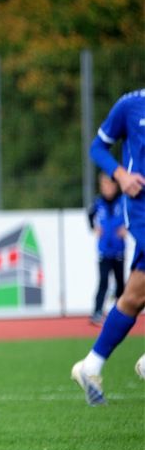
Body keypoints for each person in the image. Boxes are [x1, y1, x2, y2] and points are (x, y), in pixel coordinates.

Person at [72, 89, 145, 405]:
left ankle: (91, 366)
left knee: (134, 296)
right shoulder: (131, 105)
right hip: (142, 208)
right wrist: (121, 175)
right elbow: (98, 146)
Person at [87, 173, 127, 325]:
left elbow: (132, 215)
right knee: (103, 281)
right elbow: (90, 215)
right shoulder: (98, 203)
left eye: (110, 185)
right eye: (104, 186)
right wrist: (94, 227)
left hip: (119, 249)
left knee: (120, 283)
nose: (107, 189)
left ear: (115, 186)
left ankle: (121, 313)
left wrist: (126, 228)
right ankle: (97, 312)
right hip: (104, 250)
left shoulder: (122, 201)